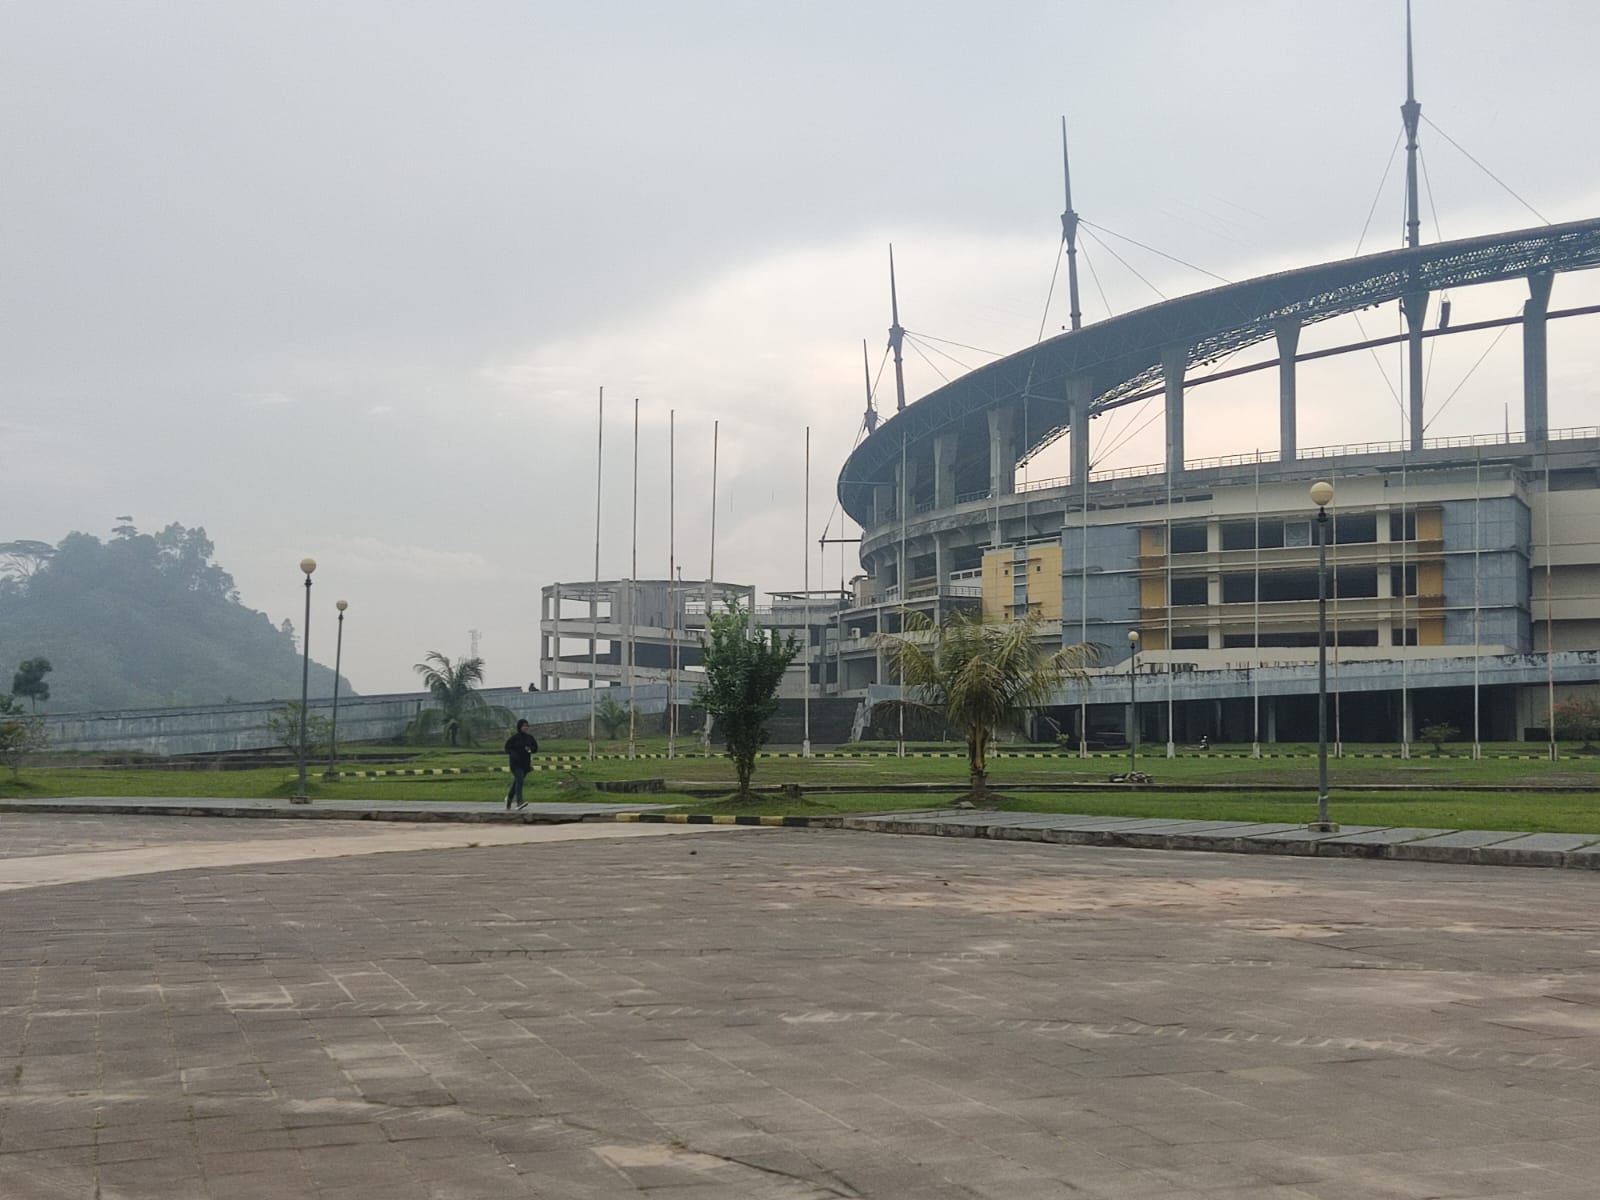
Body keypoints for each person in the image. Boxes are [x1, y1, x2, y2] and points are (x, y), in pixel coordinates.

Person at [503, 719, 539, 809]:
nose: (525, 727)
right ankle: (519, 802)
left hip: (525, 765)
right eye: (523, 726)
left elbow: (535, 748)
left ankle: (509, 798)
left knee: (517, 783)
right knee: (520, 780)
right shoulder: (514, 738)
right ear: (519, 727)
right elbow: (507, 748)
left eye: (527, 726)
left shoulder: (530, 738)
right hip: (515, 764)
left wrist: (530, 749)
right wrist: (513, 754)